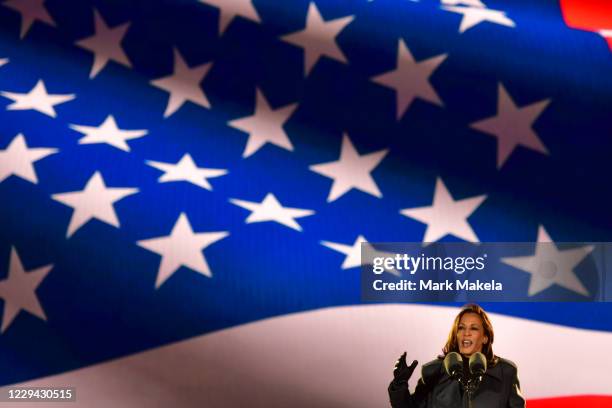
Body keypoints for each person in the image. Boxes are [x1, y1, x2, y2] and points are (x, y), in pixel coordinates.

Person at [388, 304, 526, 408]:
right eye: (461, 328)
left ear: (485, 337)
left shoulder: (505, 372)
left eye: (474, 328)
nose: (466, 333)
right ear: (456, 334)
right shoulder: (433, 371)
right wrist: (399, 384)